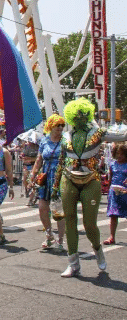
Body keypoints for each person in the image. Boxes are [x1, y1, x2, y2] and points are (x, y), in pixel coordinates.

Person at [52, 98, 127, 277]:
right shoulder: (65, 137)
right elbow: (61, 162)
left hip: (90, 180)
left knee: (89, 223)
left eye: (83, 114)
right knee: (69, 220)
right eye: (76, 115)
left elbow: (122, 136)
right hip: (68, 179)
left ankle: (98, 250)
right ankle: (73, 263)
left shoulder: (98, 132)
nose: (79, 117)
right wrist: (55, 186)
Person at [30, 114, 66, 251]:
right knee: (42, 208)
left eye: (62, 125)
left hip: (59, 177)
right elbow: (39, 159)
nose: (61, 128)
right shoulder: (44, 141)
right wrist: (33, 175)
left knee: (58, 211)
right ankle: (49, 234)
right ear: (51, 126)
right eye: (58, 125)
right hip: (45, 177)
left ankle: (61, 241)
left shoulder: (65, 141)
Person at [103, 142, 127, 245]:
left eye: (122, 154)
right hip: (114, 192)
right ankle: (111, 237)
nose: (119, 156)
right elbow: (110, 178)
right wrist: (109, 190)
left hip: (126, 193)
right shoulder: (113, 164)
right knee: (113, 215)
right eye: (118, 153)